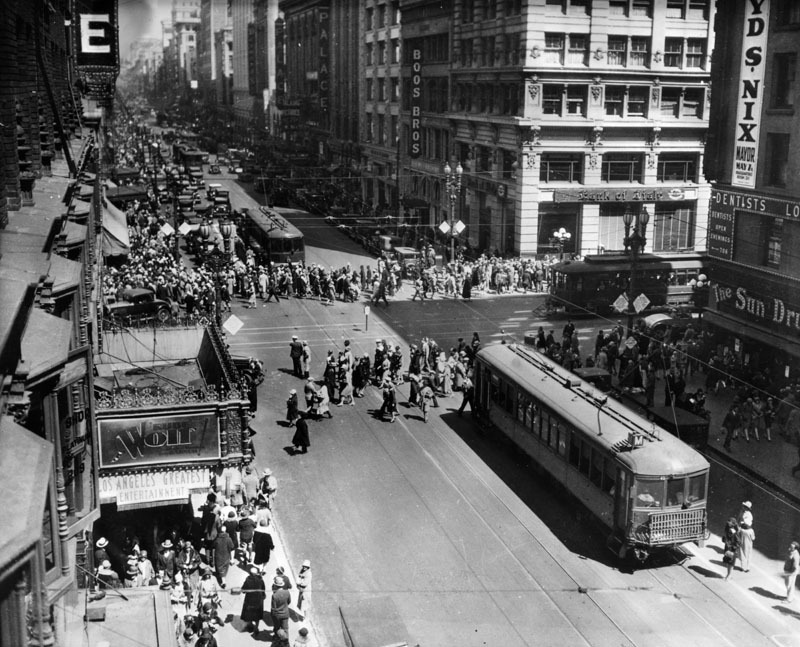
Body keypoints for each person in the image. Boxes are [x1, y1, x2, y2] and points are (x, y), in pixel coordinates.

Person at [240, 566, 267, 634]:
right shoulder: (260, 580)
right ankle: (256, 628)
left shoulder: (248, 580)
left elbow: (243, 590)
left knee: (249, 614)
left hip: (249, 600)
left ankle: (250, 626)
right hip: (258, 600)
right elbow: (263, 588)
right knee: (257, 615)